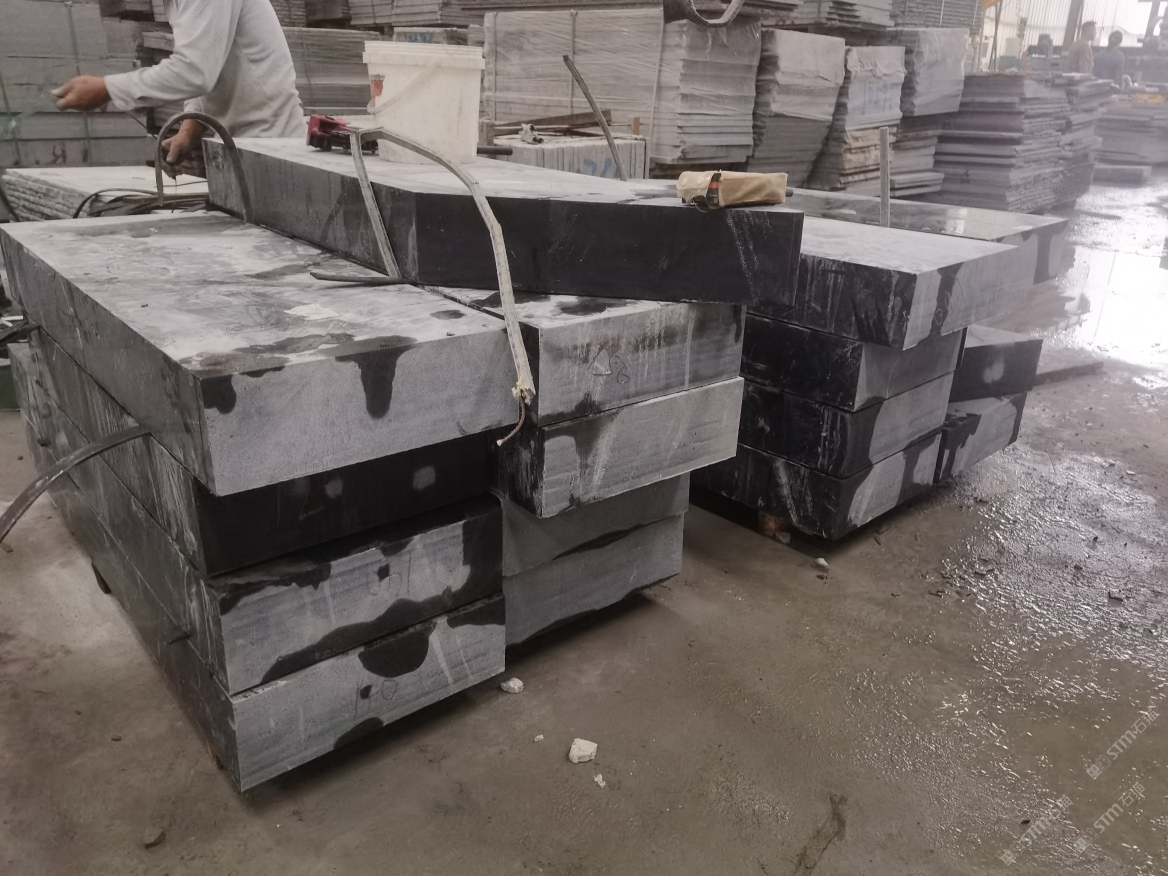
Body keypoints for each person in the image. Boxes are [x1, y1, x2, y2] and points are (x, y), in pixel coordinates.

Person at [52, 0, 306, 167]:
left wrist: (107, 88)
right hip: (239, 148)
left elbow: (194, 71)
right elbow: (209, 61)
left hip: (274, 147)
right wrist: (188, 130)